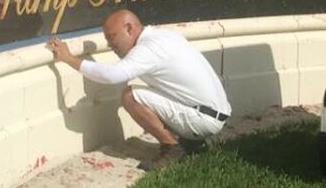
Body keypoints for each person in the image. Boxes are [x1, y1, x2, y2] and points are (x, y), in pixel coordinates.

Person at [46, 9, 231, 171]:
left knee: (130, 96)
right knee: (145, 91)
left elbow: (112, 76)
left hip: (203, 118)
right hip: (213, 113)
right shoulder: (164, 35)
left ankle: (172, 148)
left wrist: (69, 58)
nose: (110, 45)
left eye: (112, 37)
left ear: (129, 28)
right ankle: (192, 142)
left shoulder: (148, 49)